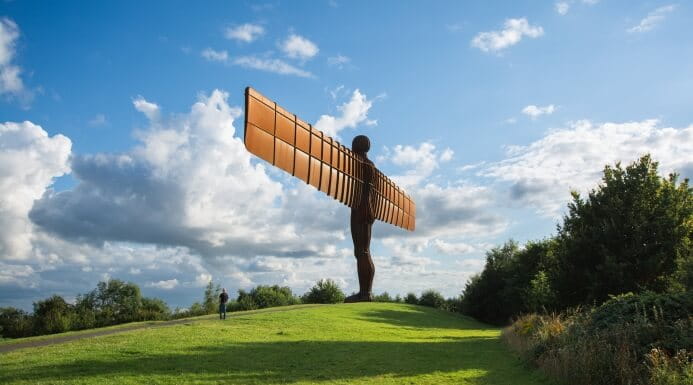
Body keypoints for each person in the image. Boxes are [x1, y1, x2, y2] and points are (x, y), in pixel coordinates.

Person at [345, 135, 376, 303]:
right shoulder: (367, 164)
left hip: (362, 209)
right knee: (361, 251)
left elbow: (367, 189)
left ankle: (365, 293)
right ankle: (365, 292)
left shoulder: (364, 165)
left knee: (362, 251)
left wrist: (365, 206)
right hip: (363, 208)